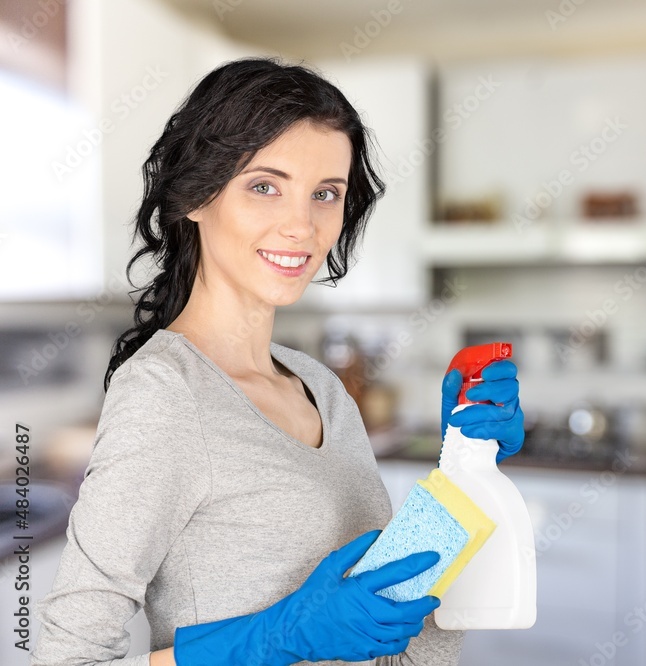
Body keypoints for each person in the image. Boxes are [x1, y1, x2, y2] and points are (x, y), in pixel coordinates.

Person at [29, 57, 525, 666]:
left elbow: (401, 649)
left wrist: (465, 474)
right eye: (265, 185)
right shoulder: (166, 392)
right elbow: (66, 658)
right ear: (197, 196)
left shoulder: (322, 389)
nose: (302, 225)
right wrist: (274, 635)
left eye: (326, 194)